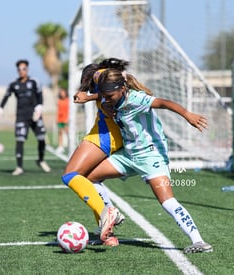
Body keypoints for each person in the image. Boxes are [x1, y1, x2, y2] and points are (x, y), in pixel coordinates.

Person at [79, 67, 213, 253]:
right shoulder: (110, 94)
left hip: (151, 156)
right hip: (128, 155)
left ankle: (199, 241)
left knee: (167, 201)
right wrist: (88, 96)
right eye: (104, 96)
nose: (106, 100)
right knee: (89, 177)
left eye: (109, 96)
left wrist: (187, 115)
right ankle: (111, 215)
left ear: (122, 89)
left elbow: (165, 103)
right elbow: (99, 89)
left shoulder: (137, 99)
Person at [62, 59, 142, 246]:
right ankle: (108, 234)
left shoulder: (100, 74)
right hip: (109, 133)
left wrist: (88, 97)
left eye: (87, 84)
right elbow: (109, 95)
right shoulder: (105, 79)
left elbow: (108, 93)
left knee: (70, 175)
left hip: (105, 134)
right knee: (89, 179)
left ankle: (108, 212)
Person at [0, 59, 51, 175]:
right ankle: (19, 167)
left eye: (23, 69)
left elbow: (40, 96)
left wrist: (39, 109)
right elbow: (6, 97)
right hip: (21, 116)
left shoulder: (34, 82)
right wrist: (0, 111)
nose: (21, 71)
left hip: (35, 115)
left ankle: (41, 160)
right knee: (20, 140)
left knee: (41, 138)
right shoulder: (14, 84)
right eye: (19, 69)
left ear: (27, 69)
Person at [56, 88, 69, 154]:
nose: (62, 94)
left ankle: (70, 145)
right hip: (60, 119)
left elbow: (69, 111)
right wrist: (57, 119)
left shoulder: (68, 101)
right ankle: (60, 146)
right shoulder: (59, 101)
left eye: (63, 93)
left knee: (67, 132)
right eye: (61, 93)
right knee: (60, 132)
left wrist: (67, 119)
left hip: (66, 119)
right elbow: (58, 110)